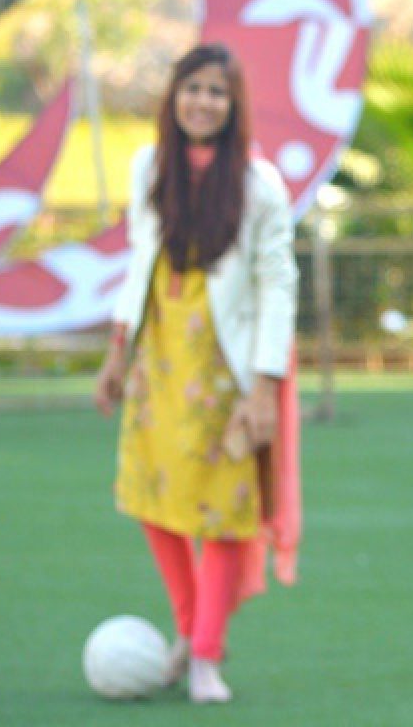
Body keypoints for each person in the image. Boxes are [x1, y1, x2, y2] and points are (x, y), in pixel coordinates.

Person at [94, 42, 299, 704]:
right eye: (193, 88)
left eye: (217, 91)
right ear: (174, 95)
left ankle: (206, 656)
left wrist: (265, 384)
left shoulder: (258, 184)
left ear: (233, 104)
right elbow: (139, 260)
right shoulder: (149, 166)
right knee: (156, 503)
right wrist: (117, 351)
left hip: (226, 370)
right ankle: (188, 632)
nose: (203, 102)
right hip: (158, 359)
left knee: (226, 517)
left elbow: (278, 283)